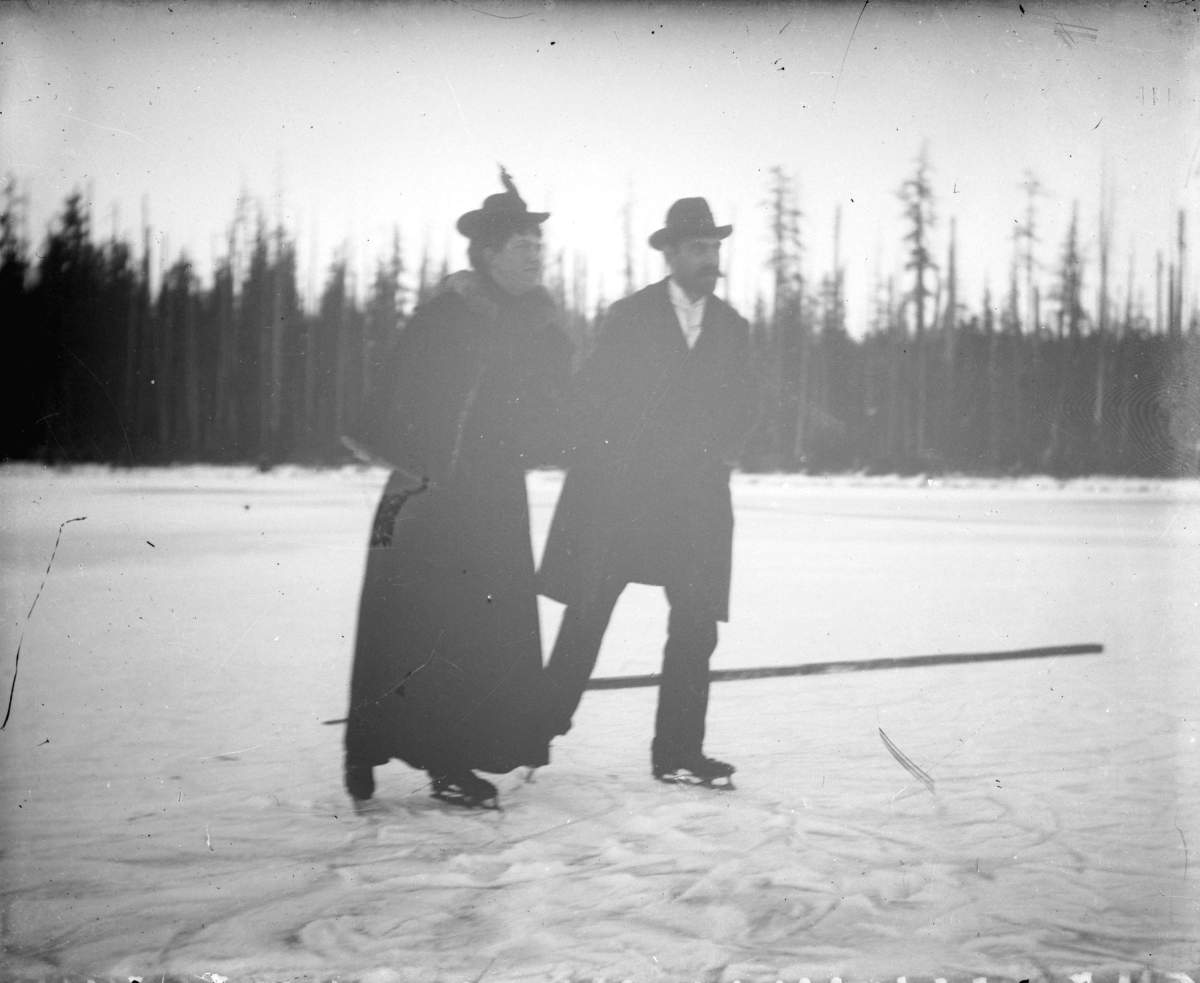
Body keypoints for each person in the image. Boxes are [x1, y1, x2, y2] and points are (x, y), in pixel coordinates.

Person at [342, 170, 572, 809]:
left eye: (539, 246)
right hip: (426, 494)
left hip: (494, 497)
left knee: (482, 630)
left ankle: (456, 755)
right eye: (522, 246)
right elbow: (393, 401)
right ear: (488, 253)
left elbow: (559, 408)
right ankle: (380, 753)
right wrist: (425, 469)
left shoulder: (539, 325)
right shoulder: (445, 317)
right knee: (414, 627)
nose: (535, 255)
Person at [538, 197, 755, 788]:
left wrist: (720, 453)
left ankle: (680, 753)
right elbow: (590, 399)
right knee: (588, 613)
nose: (710, 258)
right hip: (624, 500)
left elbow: (745, 407)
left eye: (715, 248)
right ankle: (535, 729)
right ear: (671, 253)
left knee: (694, 625)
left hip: (694, 505)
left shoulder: (734, 328)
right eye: (697, 248)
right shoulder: (629, 317)